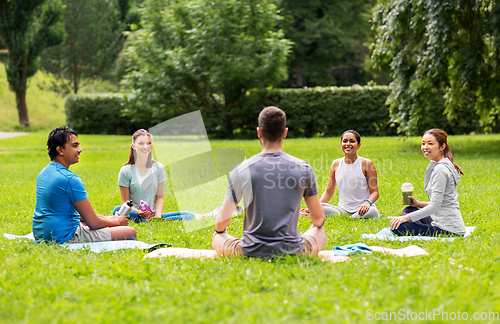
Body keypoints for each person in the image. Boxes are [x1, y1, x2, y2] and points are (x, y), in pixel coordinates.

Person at [212, 106, 327, 258]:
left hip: (250, 251)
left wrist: (220, 231)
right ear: (285, 132)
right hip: (293, 251)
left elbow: (222, 222)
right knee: (320, 231)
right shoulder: (303, 168)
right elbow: (318, 219)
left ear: (259, 132)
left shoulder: (242, 169)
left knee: (218, 236)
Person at [33, 127, 136, 244]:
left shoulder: (45, 172)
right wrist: (117, 223)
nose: (80, 150)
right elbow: (94, 223)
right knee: (129, 232)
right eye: (75, 146)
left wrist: (112, 218)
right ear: (60, 150)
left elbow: (82, 217)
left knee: (94, 222)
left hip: (42, 234)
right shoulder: (70, 179)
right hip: (63, 237)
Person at [389, 128, 466, 236]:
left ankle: (412, 222)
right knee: (409, 209)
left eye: (430, 143)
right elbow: (440, 203)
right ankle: (414, 221)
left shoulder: (440, 170)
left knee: (399, 226)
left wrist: (404, 218)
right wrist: (418, 204)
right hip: (439, 220)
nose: (425, 147)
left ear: (442, 146)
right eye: (423, 143)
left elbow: (435, 206)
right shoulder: (441, 165)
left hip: (448, 229)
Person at [113, 129, 194, 222]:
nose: (145, 146)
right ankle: (151, 221)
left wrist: (158, 216)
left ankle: (155, 221)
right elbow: (125, 203)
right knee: (117, 209)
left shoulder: (158, 167)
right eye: (141, 143)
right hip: (135, 213)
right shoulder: (126, 171)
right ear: (133, 146)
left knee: (189, 215)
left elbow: (159, 198)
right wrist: (139, 212)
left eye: (148, 143)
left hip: (153, 214)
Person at [308, 130, 380, 219]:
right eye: (345, 141)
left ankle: (350, 217)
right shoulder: (336, 164)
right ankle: (349, 217)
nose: (348, 144)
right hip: (342, 210)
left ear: (358, 145)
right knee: (320, 207)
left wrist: (368, 202)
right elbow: (328, 192)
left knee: (373, 212)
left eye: (352, 141)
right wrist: (315, 207)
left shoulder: (367, 163)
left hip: (363, 209)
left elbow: (375, 192)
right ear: (341, 145)